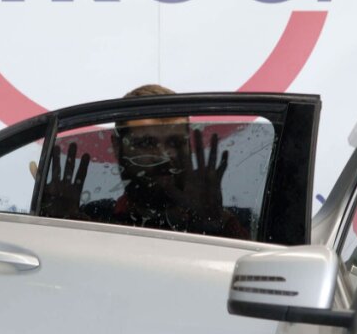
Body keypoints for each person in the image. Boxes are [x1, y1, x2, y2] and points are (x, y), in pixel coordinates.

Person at [40, 85, 248, 239]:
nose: (163, 156)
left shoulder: (243, 222)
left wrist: (212, 222)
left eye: (175, 142)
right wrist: (57, 224)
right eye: (147, 143)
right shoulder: (94, 219)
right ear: (117, 146)